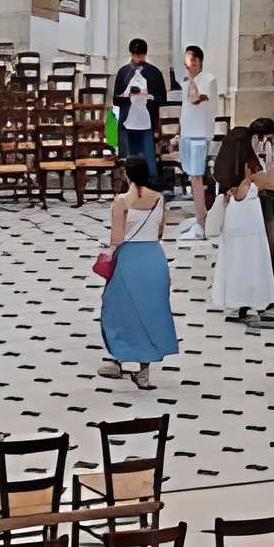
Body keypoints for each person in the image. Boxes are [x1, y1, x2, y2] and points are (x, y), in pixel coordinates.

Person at [99, 155, 176, 389]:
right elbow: (160, 231)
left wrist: (106, 251)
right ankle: (144, 371)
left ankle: (119, 356)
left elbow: (117, 238)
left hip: (129, 260)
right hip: (154, 257)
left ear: (126, 175)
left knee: (117, 309)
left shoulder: (122, 201)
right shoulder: (159, 198)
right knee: (151, 312)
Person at [208, 145, 274, 326]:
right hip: (251, 231)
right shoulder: (252, 185)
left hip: (234, 230)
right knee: (255, 264)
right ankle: (260, 301)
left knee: (236, 265)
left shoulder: (231, 188)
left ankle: (240, 302)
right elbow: (271, 178)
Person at [111, 38, 168, 187]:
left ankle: (152, 187)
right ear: (131, 54)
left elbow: (162, 99)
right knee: (129, 158)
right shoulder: (124, 72)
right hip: (127, 122)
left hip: (146, 122)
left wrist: (147, 96)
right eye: (136, 55)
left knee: (149, 158)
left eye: (141, 55)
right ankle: (129, 188)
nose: (138, 58)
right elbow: (116, 100)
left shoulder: (153, 73)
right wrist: (128, 95)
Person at [176, 43, 215, 240]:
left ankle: (202, 224)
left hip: (199, 136)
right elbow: (186, 109)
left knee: (198, 178)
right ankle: (199, 216)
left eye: (190, 60)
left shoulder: (207, 79)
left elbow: (195, 99)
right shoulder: (187, 81)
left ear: (198, 61)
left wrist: (190, 80)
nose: (187, 65)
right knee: (192, 177)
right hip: (187, 134)